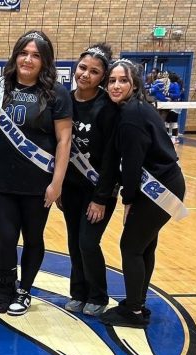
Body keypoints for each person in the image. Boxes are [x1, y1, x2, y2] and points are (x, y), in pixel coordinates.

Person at [0, 30, 72, 316]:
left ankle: (24, 290)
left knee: (33, 238)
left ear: (45, 61)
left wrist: (57, 182)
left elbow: (64, 140)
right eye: (24, 53)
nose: (28, 59)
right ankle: (4, 287)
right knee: (6, 238)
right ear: (15, 55)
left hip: (39, 181)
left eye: (36, 55)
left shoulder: (56, 94)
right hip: (2, 179)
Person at [100, 59, 186, 328]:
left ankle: (134, 311)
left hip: (159, 187)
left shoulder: (131, 117)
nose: (116, 85)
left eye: (122, 80)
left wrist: (128, 200)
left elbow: (133, 164)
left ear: (134, 84)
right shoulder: (135, 109)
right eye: (112, 80)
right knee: (145, 245)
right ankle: (137, 302)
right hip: (169, 182)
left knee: (131, 246)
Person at [60, 44, 119, 317]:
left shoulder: (108, 107)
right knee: (74, 241)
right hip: (70, 187)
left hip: (98, 190)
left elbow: (111, 158)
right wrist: (58, 185)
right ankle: (78, 292)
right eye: (83, 68)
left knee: (88, 241)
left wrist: (101, 198)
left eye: (94, 72)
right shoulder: (64, 100)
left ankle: (98, 294)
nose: (85, 75)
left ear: (103, 77)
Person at [165, 72, 183, 143]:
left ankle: (174, 138)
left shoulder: (175, 85)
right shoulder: (170, 84)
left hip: (175, 105)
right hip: (170, 105)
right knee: (167, 121)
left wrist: (169, 94)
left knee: (173, 121)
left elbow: (177, 95)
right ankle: (166, 137)